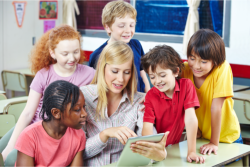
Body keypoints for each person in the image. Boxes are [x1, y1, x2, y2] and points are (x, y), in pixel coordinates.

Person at [0, 25, 95, 166]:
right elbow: (28, 113)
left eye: (75, 52)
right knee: (4, 150)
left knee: (11, 158)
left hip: (56, 132)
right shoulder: (43, 74)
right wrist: (10, 146)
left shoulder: (90, 74)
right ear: (52, 53)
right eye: (65, 54)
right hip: (34, 128)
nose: (72, 58)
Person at [81, 41, 168, 167]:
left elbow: (148, 145)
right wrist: (104, 134)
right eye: (115, 71)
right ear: (101, 66)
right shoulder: (82, 97)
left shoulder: (139, 102)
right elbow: (77, 153)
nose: (121, 79)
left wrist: (158, 153)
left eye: (126, 72)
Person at [182, 29, 242, 155]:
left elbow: (216, 108)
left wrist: (214, 143)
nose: (196, 66)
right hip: (203, 137)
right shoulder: (186, 69)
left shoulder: (222, 68)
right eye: (192, 58)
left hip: (226, 138)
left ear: (215, 60)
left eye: (203, 61)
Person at [141, 45, 205, 163]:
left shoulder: (186, 86)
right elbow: (147, 128)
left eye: (162, 75)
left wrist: (191, 151)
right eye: (152, 77)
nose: (157, 81)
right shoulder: (150, 96)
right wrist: (153, 150)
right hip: (156, 152)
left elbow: (190, 118)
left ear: (176, 71)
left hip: (173, 148)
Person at [15, 80, 86, 167]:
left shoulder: (79, 135)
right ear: (56, 113)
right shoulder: (29, 136)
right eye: (77, 109)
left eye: (84, 107)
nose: (84, 114)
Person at [88, 0, 150, 93]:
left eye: (131, 25)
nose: (128, 30)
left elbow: (142, 73)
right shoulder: (97, 55)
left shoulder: (136, 45)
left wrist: (148, 95)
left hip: (138, 99)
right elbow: (96, 84)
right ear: (108, 27)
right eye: (121, 26)